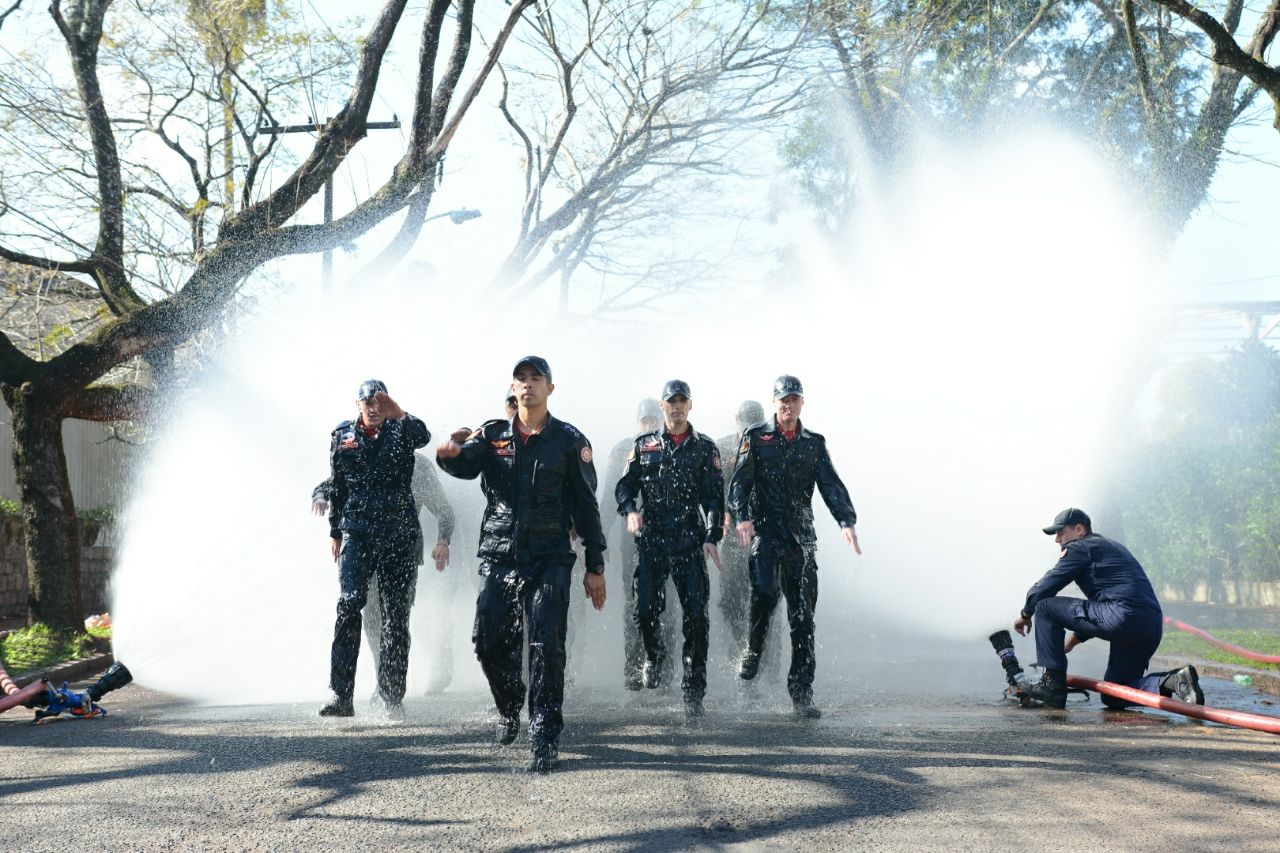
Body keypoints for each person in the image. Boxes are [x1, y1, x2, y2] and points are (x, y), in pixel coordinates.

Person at [437, 356, 607, 772]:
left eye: (535, 378)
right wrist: (448, 452)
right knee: (487, 640)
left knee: (546, 644)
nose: (527, 384)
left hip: (550, 556)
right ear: (512, 389)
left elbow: (587, 505)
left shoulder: (569, 440)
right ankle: (511, 705)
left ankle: (544, 733)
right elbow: (464, 465)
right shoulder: (493, 435)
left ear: (550, 388)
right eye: (521, 379)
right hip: (498, 552)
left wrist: (595, 564)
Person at [728, 375, 861, 719]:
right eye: (782, 400)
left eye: (794, 400)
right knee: (765, 594)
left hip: (801, 540)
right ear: (774, 403)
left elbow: (831, 485)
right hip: (766, 535)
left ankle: (802, 692)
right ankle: (754, 649)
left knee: (802, 618)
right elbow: (739, 484)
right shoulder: (757, 439)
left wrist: (846, 521)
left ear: (802, 403)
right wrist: (742, 517)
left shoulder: (813, 444)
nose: (788, 406)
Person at [1013, 508, 1203, 710]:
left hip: (1122, 617)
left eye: (1060, 532)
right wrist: (1074, 641)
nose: (1057, 539)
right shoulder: (1108, 546)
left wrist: (1026, 614)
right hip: (1149, 626)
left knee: (1044, 606)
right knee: (1114, 694)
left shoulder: (1080, 546)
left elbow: (1046, 586)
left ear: (1079, 529)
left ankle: (1051, 685)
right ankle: (1173, 681)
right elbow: (1107, 602)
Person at [321, 380, 431, 720]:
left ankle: (391, 697)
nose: (373, 407)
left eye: (379, 401)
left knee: (395, 616)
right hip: (358, 532)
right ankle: (341, 696)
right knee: (350, 603)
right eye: (367, 401)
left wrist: (401, 413)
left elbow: (424, 436)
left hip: (398, 532)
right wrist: (334, 530)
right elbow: (337, 485)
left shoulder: (402, 430)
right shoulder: (343, 437)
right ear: (357, 405)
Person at [615, 380, 724, 718]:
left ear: (690, 406)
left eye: (682, 401)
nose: (676, 407)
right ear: (662, 407)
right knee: (645, 611)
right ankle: (653, 655)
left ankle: (694, 690)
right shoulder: (644, 446)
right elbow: (624, 487)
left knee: (696, 618)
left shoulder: (705, 449)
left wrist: (712, 534)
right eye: (670, 402)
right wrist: (630, 511)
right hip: (652, 542)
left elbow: (713, 497)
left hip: (689, 542)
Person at [311, 454, 454, 699]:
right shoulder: (365, 454)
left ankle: (393, 685)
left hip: (402, 550)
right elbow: (331, 484)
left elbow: (444, 509)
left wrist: (443, 541)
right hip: (366, 549)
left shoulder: (417, 465)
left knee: (396, 619)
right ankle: (382, 678)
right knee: (371, 616)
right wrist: (322, 500)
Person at [602, 398, 678, 690]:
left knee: (667, 604)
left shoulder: (671, 444)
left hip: (668, 537)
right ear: (638, 422)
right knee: (634, 603)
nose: (649, 425)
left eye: (652, 420)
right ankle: (633, 670)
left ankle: (663, 668)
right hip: (632, 539)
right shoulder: (624, 449)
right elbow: (612, 493)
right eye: (644, 421)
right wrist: (598, 539)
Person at [715, 400, 766, 664]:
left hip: (762, 534)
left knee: (764, 598)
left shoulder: (770, 442)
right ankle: (740, 653)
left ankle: (765, 660)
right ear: (736, 420)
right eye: (746, 425)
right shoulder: (721, 448)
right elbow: (712, 487)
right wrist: (721, 513)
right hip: (733, 535)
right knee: (731, 600)